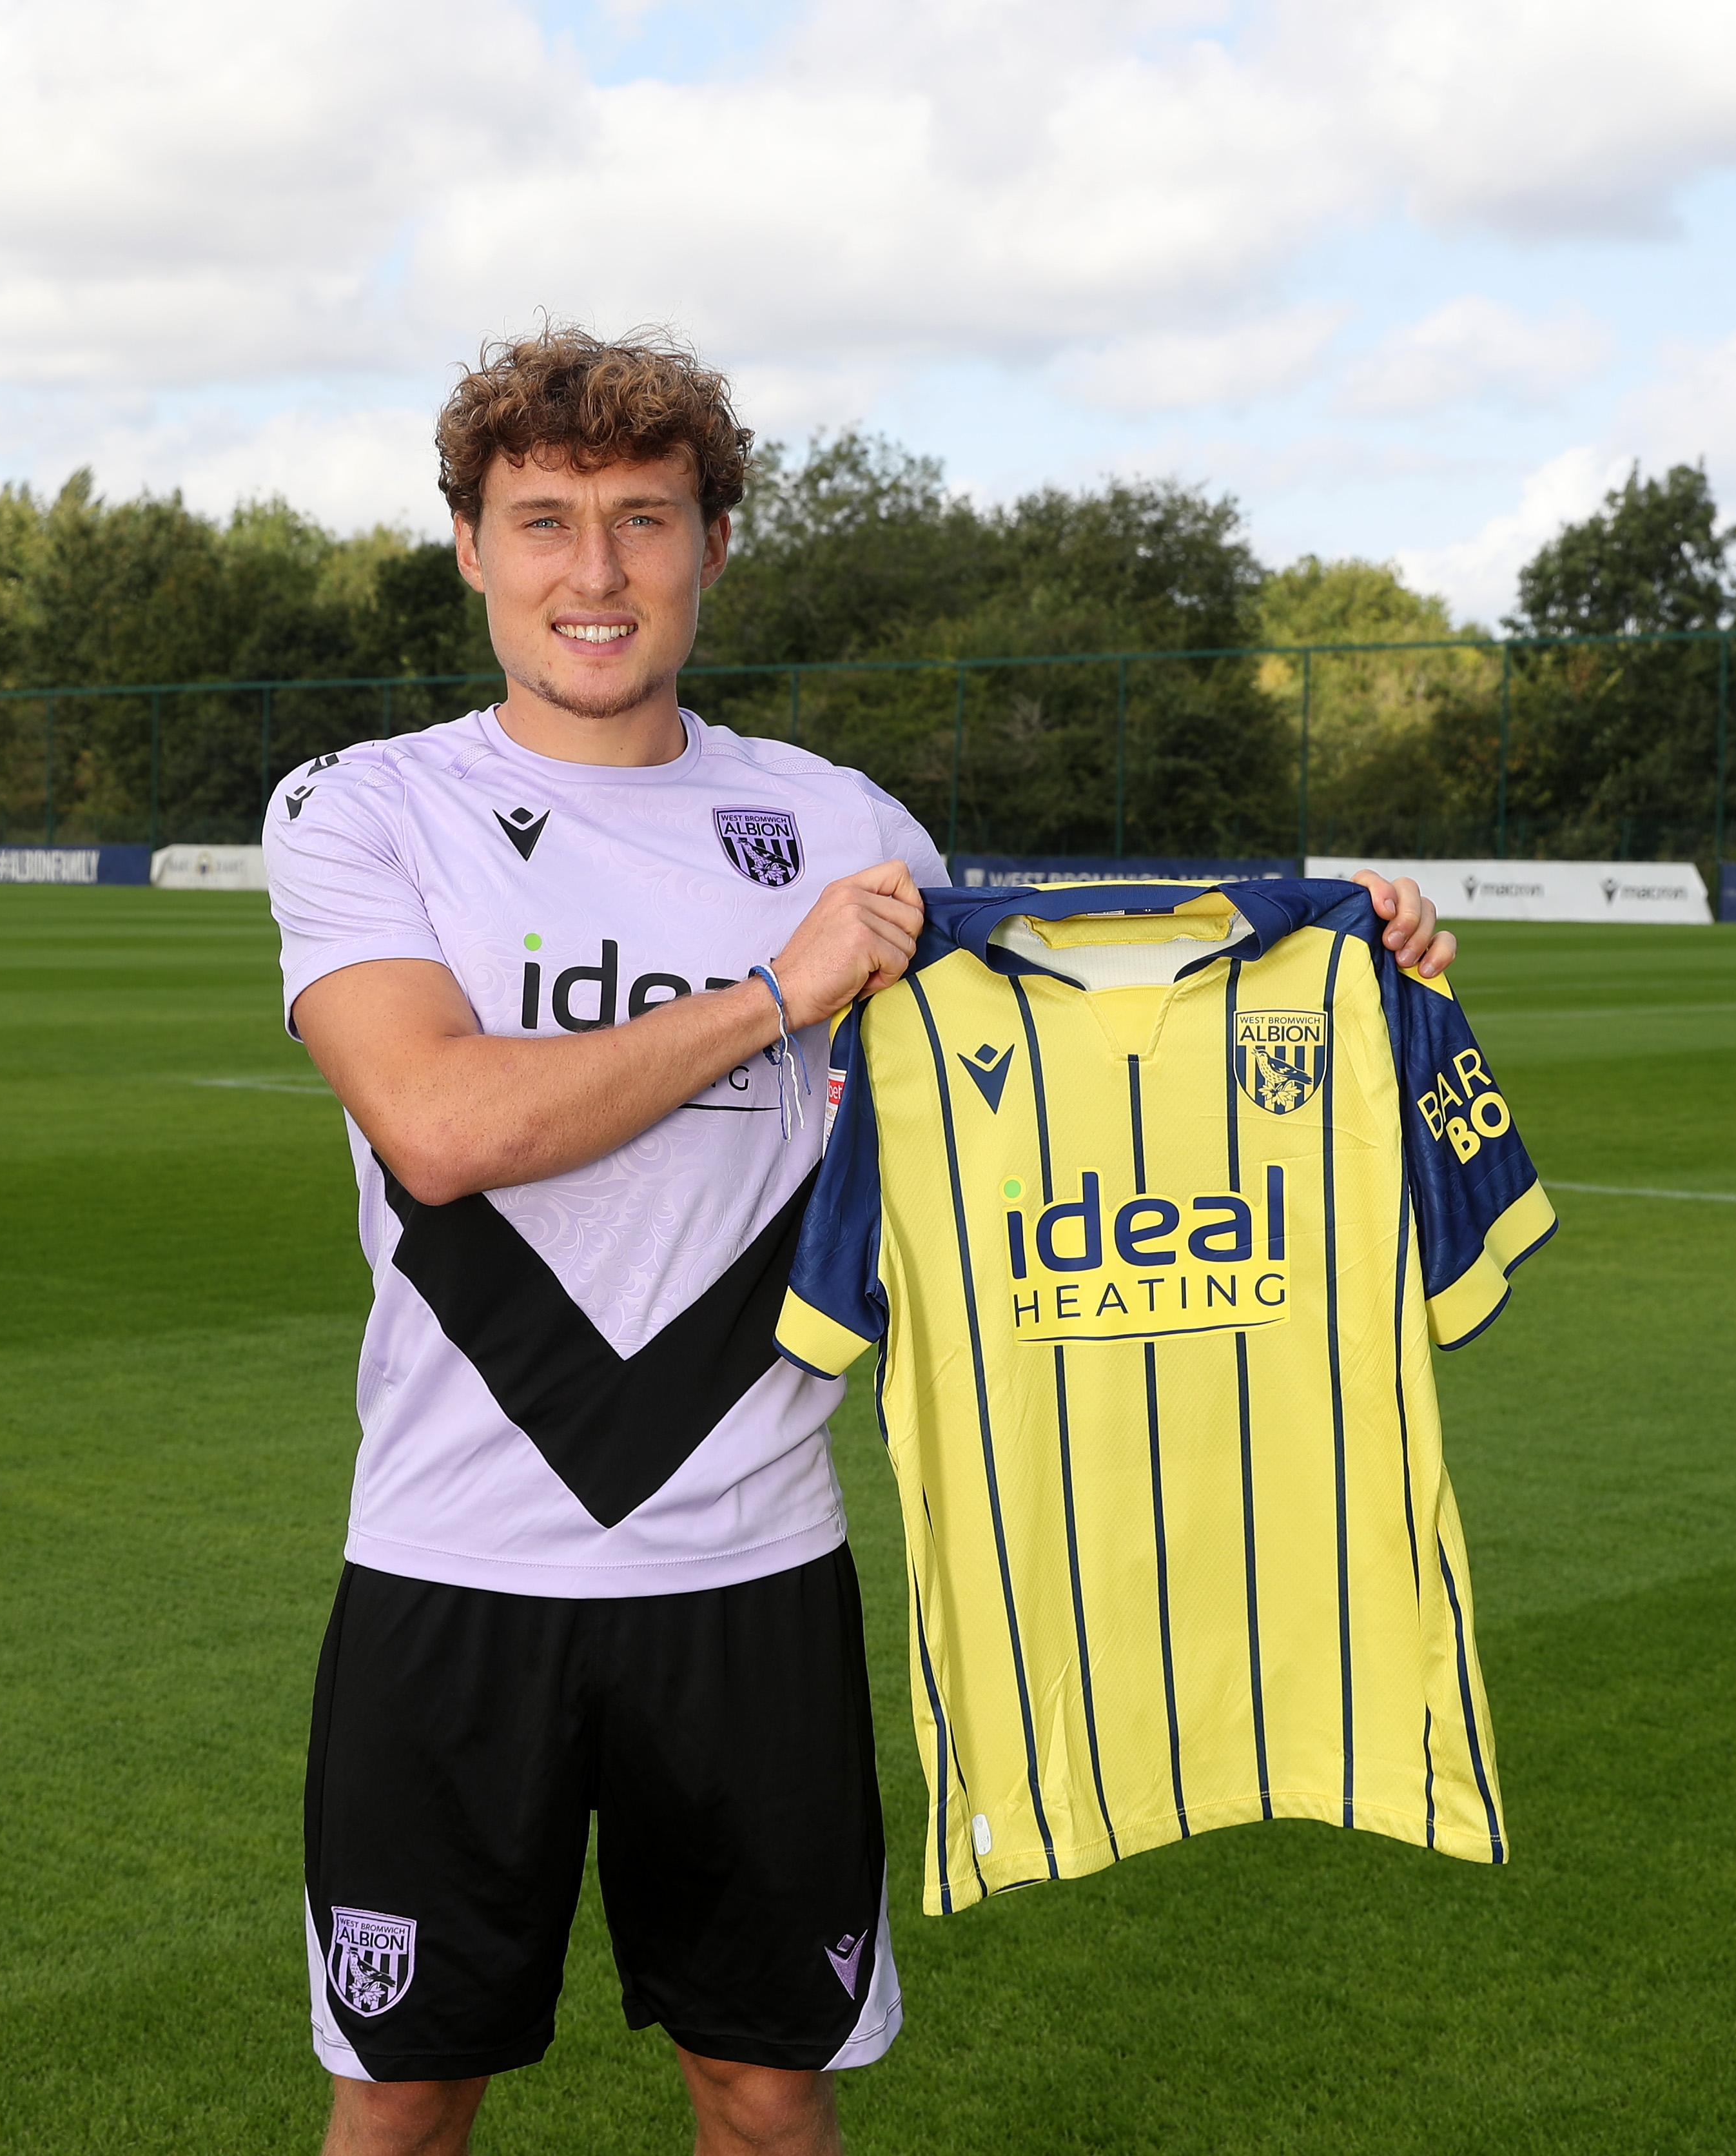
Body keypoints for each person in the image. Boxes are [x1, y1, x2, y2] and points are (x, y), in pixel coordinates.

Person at [263, 325, 1453, 2156]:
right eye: (545, 522)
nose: (595, 574)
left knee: (764, 2090)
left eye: (644, 521)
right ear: (468, 545)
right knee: (408, 2100)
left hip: (749, 1580)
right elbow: (438, 1129)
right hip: (453, 1573)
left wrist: (1324, 952)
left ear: (713, 545)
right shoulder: (365, 807)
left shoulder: (833, 822)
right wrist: (767, 992)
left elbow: (1059, 1043)